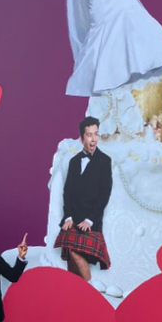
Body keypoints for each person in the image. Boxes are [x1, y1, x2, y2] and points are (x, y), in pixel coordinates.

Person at [54, 116, 112, 290]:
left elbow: (104, 194)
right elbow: (68, 192)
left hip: (90, 222)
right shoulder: (74, 162)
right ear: (81, 138)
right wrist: (69, 216)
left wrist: (90, 220)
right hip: (73, 218)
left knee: (73, 251)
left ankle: (91, 294)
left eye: (95, 134)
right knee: (71, 259)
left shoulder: (104, 161)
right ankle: (76, 296)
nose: (93, 139)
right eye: (89, 135)